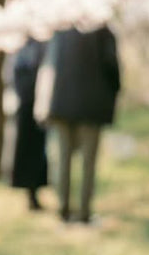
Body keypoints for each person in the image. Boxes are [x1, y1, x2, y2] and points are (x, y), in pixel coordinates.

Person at [42, 24, 121, 223]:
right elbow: (111, 66)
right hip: (92, 105)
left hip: (61, 103)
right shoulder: (102, 30)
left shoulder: (60, 28)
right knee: (88, 162)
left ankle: (63, 209)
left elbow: (49, 67)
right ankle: (84, 212)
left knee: (63, 159)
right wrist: (114, 90)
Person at [10, 37, 48, 211]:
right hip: (27, 106)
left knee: (37, 152)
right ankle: (31, 194)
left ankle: (34, 193)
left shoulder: (40, 44)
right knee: (28, 151)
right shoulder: (21, 47)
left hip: (36, 106)